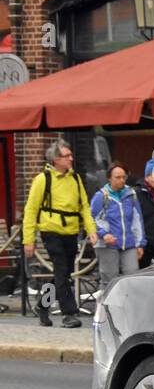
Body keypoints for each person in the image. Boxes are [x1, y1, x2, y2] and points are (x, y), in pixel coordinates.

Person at [22, 138, 97, 328]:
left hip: (71, 232)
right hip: (51, 231)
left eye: (71, 155)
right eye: (67, 156)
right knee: (62, 270)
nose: (71, 158)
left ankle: (42, 305)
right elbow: (31, 211)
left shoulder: (75, 179)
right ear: (56, 159)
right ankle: (69, 313)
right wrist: (28, 240)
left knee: (62, 274)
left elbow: (84, 208)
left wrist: (92, 230)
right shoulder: (42, 180)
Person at [89, 162, 145, 294]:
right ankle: (104, 310)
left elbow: (137, 219)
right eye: (117, 177)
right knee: (109, 278)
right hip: (108, 244)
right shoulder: (101, 196)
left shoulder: (130, 194)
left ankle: (129, 309)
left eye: (123, 177)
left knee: (132, 276)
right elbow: (92, 219)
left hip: (129, 243)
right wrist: (103, 234)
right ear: (109, 178)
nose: (121, 180)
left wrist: (140, 243)